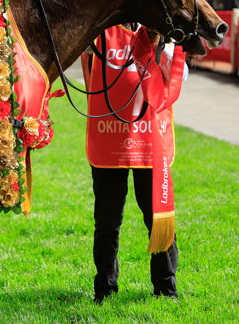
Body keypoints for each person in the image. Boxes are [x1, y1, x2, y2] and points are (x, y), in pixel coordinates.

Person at [81, 23, 187, 304]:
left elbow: (178, 77)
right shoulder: (100, 30)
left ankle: (166, 287)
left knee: (158, 218)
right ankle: (104, 287)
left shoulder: (162, 31)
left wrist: (163, 46)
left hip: (150, 139)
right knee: (106, 220)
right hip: (108, 136)